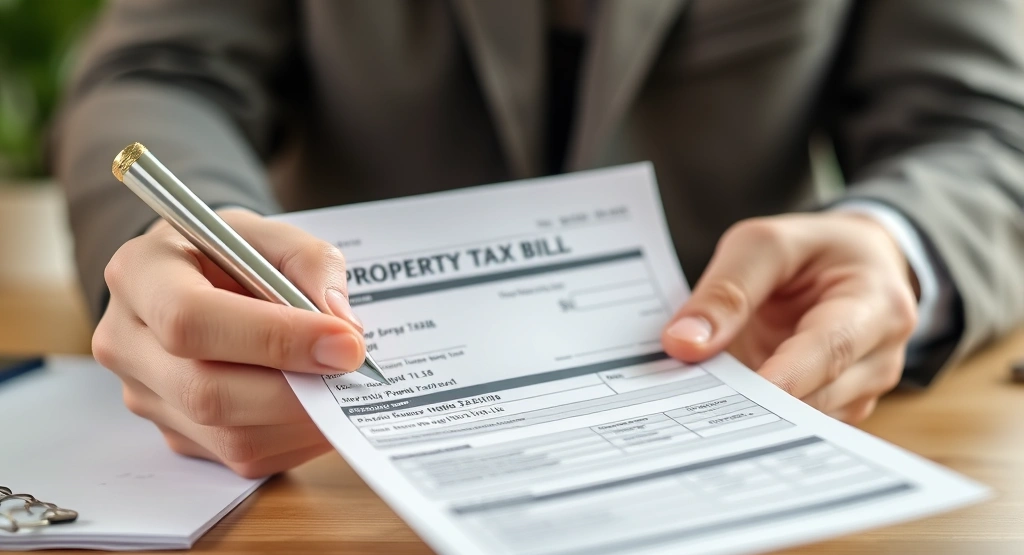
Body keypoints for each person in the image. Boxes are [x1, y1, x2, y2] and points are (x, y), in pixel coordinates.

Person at [53, 0, 1024, 478]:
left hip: (721, 388)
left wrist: (894, 243)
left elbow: (986, 127)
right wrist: (190, 243)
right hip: (329, 436)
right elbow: (162, 69)